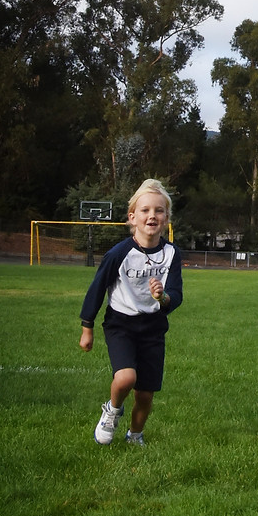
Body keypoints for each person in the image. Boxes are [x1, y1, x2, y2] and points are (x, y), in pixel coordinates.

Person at [79, 179, 183, 447]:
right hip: (121, 324)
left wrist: (162, 297)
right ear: (132, 217)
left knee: (145, 395)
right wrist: (87, 326)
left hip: (153, 328)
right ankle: (112, 411)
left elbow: (176, 295)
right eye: (145, 210)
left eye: (159, 211)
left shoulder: (172, 254)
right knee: (126, 377)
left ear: (166, 218)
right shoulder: (119, 253)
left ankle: (134, 435)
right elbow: (97, 287)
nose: (152, 216)